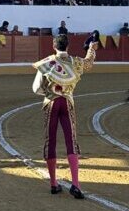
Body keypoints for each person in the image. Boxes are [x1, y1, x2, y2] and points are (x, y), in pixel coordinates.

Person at [31, 33, 97, 198]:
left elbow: (35, 88)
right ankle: (76, 184)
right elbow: (89, 63)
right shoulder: (75, 62)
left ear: (54, 46)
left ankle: (53, 184)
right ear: (68, 46)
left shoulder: (47, 62)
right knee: (71, 141)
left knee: (50, 141)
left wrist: (48, 93)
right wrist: (91, 49)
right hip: (67, 102)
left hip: (51, 103)